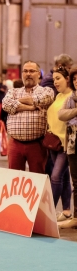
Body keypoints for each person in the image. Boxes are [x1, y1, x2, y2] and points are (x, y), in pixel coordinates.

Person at [2, 61, 54, 173]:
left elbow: (40, 100)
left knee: (37, 180)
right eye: (25, 71)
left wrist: (16, 103)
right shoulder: (13, 91)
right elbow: (5, 104)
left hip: (37, 144)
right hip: (15, 143)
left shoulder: (47, 91)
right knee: (14, 179)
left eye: (32, 71)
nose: (28, 74)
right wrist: (31, 107)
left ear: (39, 74)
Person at [46, 67, 73, 221]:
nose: (55, 82)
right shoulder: (58, 96)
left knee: (56, 177)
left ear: (67, 79)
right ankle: (67, 211)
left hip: (65, 143)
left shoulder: (72, 96)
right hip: (54, 142)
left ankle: (49, 213)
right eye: (54, 79)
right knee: (62, 176)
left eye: (58, 78)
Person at [58, 67, 77, 228]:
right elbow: (61, 114)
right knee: (75, 183)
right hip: (72, 145)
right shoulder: (71, 98)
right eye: (75, 79)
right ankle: (76, 218)